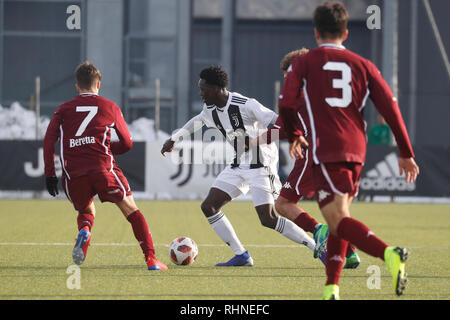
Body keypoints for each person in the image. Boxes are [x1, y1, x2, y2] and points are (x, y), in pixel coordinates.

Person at [278, 1, 419, 299]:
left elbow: (287, 103)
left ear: (316, 33)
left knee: (338, 220)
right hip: (357, 148)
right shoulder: (363, 64)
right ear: (346, 32)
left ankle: (389, 254)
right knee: (338, 218)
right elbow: (390, 108)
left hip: (327, 149)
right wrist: (405, 152)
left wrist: (293, 134)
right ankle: (331, 288)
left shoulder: (304, 62)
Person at [161, 65, 325, 266]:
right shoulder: (209, 109)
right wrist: (174, 138)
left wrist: (274, 140)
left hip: (262, 164)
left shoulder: (246, 104)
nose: (201, 93)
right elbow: (198, 121)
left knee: (268, 218)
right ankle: (242, 255)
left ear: (217, 88)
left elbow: (279, 124)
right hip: (239, 163)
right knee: (209, 206)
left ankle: (316, 246)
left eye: (204, 89)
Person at [43, 61, 167, 271]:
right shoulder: (110, 107)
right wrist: (106, 145)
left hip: (74, 174)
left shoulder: (63, 109)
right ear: (98, 84)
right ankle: (151, 259)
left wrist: (49, 175)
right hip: (103, 169)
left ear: (77, 86)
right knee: (131, 210)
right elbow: (127, 143)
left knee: (86, 209)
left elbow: (48, 141)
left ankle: (85, 231)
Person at [272, 48, 360, 269]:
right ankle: (348, 253)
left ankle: (317, 230)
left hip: (313, 155)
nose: (286, 82)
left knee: (283, 204)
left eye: (287, 76)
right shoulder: (323, 90)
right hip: (341, 153)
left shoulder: (297, 95)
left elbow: (282, 129)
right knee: (335, 208)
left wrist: (253, 140)